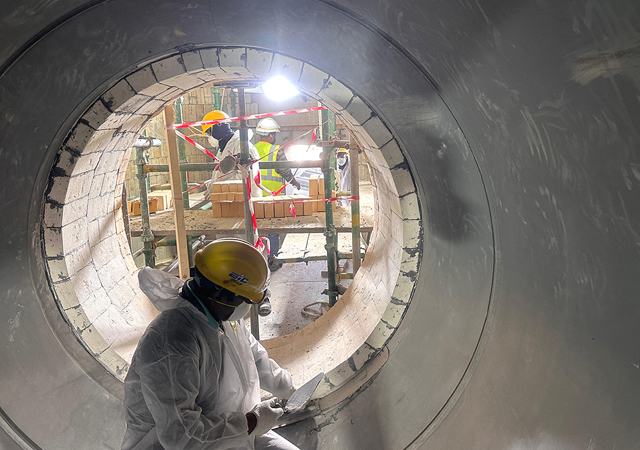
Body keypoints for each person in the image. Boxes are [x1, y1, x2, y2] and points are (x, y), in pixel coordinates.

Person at [121, 238, 300, 450]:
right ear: (218, 294)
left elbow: (255, 357)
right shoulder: (172, 341)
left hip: (232, 431)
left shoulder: (223, 317)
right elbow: (181, 436)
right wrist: (252, 422)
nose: (244, 308)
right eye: (243, 300)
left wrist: (291, 391)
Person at [254, 118, 301, 280]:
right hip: (272, 196)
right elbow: (285, 171)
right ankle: (273, 261)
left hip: (254, 196)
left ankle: (257, 261)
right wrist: (295, 183)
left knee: (256, 229)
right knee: (273, 230)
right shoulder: (275, 150)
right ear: (271, 136)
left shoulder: (251, 149)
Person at [202, 110, 262, 198]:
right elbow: (220, 176)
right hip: (231, 200)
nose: (210, 136)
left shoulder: (242, 147)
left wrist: (217, 189)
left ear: (218, 125)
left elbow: (243, 177)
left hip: (247, 200)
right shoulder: (222, 150)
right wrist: (205, 186)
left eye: (209, 132)